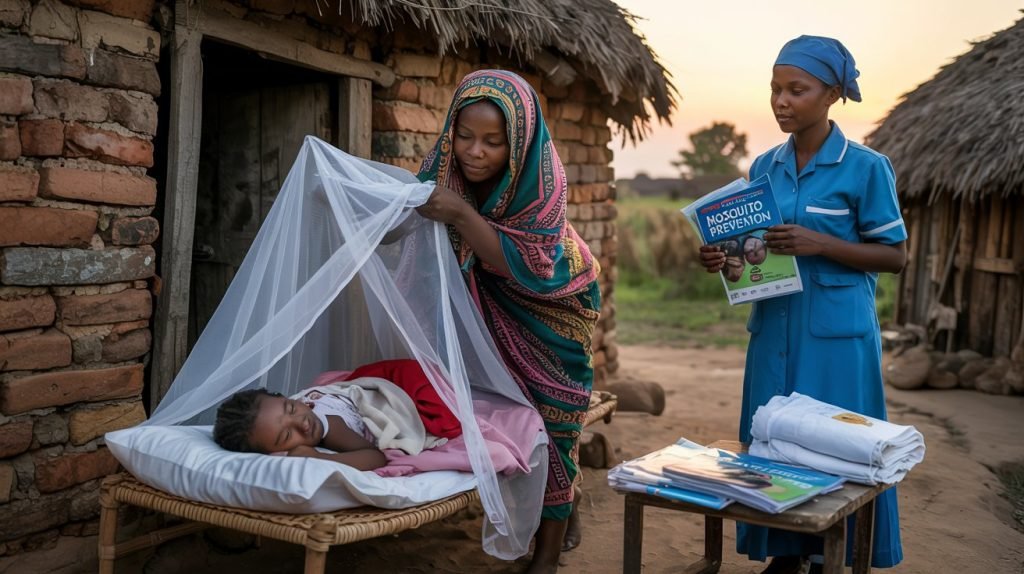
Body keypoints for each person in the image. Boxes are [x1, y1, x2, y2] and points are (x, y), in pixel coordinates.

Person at [699, 36, 907, 574]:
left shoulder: (865, 167)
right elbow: (754, 248)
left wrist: (822, 245)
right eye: (775, 89)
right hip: (773, 327)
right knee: (772, 439)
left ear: (832, 93)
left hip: (836, 336)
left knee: (835, 444)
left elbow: (895, 257)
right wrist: (723, 258)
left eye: (797, 89)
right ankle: (785, 552)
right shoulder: (765, 166)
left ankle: (829, 552)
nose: (781, 100)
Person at [415, 69, 601, 573]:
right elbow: (410, 223)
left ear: (518, 143)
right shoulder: (445, 175)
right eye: (465, 136)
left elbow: (532, 264)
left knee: (555, 423)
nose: (475, 152)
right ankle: (559, 510)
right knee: (513, 423)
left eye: (493, 142)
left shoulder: (543, 187)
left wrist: (460, 215)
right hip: (490, 308)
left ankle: (543, 557)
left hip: (555, 311)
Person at [213, 359, 463, 472]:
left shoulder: (330, 426)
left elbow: (374, 458)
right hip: (361, 384)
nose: (302, 422)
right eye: (287, 435)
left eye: (291, 408)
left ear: (288, 398)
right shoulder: (285, 416)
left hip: (399, 382)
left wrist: (317, 458)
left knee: (443, 415)